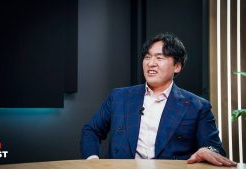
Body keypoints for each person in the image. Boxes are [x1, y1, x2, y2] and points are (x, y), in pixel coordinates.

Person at [80, 33, 237, 167]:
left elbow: (215, 149)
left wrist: (206, 150)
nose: (151, 63)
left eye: (159, 58)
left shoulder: (197, 106)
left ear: (177, 66)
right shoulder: (119, 97)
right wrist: (94, 161)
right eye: (147, 57)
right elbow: (91, 130)